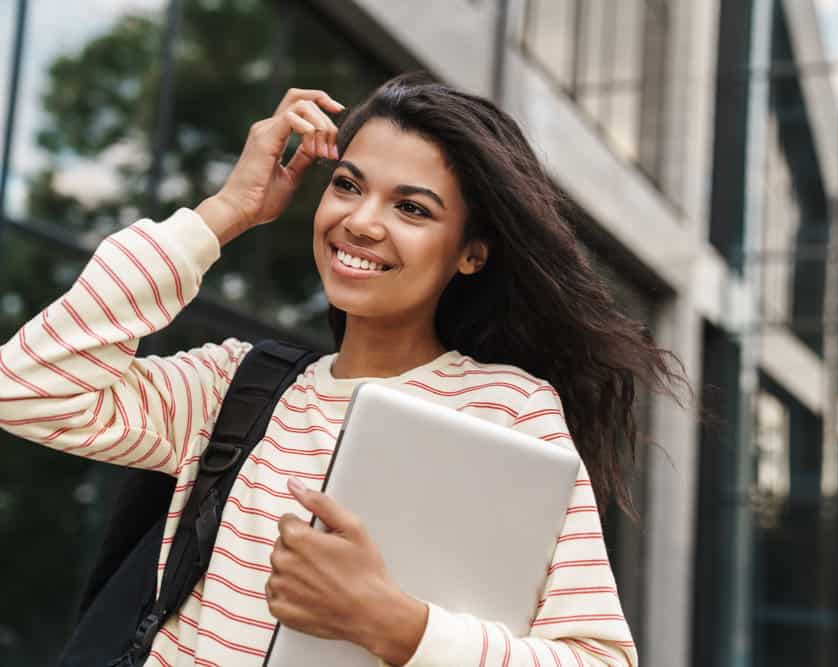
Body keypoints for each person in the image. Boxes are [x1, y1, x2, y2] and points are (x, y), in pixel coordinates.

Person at [0, 72, 684, 666]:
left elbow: (596, 656)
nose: (361, 221)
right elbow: (24, 389)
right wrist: (223, 214)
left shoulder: (508, 408)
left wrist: (394, 622)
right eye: (348, 185)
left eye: (411, 208)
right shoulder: (234, 390)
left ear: (471, 253)